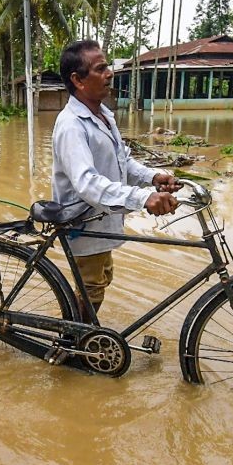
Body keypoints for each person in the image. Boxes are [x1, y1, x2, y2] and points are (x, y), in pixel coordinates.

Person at [51, 39, 180, 316]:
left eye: (107, 66)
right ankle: (75, 343)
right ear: (78, 80)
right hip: (83, 223)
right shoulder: (72, 126)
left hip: (102, 220)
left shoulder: (103, 115)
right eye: (101, 69)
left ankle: (80, 333)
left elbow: (123, 162)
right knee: (92, 286)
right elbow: (87, 182)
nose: (110, 73)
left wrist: (152, 177)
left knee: (98, 282)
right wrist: (143, 198)